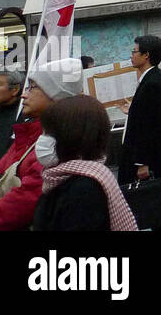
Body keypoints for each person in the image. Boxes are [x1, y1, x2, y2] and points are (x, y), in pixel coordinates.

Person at [0, 59, 84, 230]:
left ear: (55, 94)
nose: (24, 94)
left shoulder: (53, 147)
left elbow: (23, 202)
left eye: (32, 87)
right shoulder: (26, 133)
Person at [33, 95, 138, 231]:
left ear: (72, 136)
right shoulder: (63, 178)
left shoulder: (84, 189)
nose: (42, 140)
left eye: (50, 134)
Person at [119, 36, 161, 198]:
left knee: (152, 208)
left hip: (148, 160)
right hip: (147, 157)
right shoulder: (152, 78)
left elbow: (151, 126)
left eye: (134, 51)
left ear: (146, 55)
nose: (131, 55)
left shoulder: (153, 83)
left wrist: (142, 162)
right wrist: (133, 110)